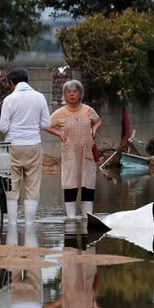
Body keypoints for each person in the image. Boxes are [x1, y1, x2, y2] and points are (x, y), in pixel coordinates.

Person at [0, 67, 51, 226]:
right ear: (28, 81)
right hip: (33, 145)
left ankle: (12, 224)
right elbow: (46, 123)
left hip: (13, 146)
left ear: (11, 83)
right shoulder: (40, 97)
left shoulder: (9, 100)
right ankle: (29, 224)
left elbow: (3, 127)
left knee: (12, 186)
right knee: (32, 185)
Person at [45, 79, 102, 219]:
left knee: (87, 184)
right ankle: (71, 218)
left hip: (87, 153)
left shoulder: (88, 110)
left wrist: (94, 129)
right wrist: (59, 134)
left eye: (74, 91)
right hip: (70, 154)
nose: (71, 94)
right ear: (64, 95)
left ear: (80, 94)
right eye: (68, 92)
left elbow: (98, 120)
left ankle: (87, 217)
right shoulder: (60, 113)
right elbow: (46, 125)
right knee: (70, 183)